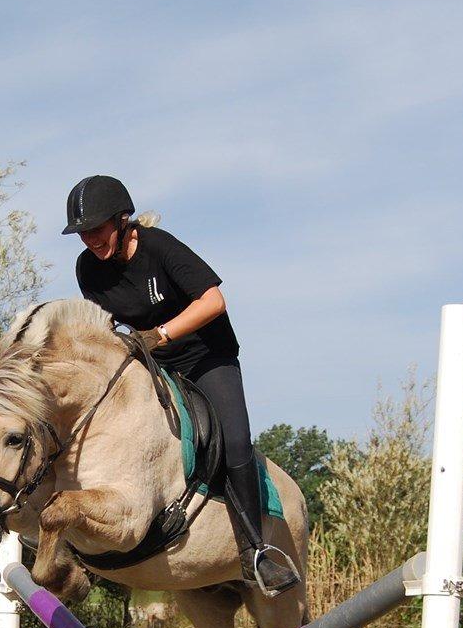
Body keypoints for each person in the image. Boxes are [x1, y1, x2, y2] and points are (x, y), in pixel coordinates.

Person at [64, 174, 300, 596]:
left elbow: (213, 301)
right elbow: (103, 326)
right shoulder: (87, 268)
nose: (90, 240)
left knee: (236, 440)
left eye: (96, 229)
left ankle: (256, 551)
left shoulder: (159, 247)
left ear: (122, 220)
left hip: (207, 359)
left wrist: (160, 335)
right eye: (83, 233)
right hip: (153, 364)